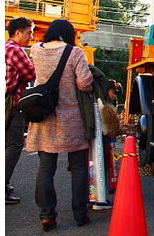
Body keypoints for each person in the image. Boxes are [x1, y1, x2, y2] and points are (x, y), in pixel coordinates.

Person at [25, 19, 93, 231]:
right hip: (70, 118)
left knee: (46, 168)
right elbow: (84, 83)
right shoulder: (75, 52)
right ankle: (80, 214)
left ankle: (47, 215)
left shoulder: (36, 50)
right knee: (79, 167)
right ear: (69, 33)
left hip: (43, 115)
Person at [5, 16, 36, 205]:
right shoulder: (16, 51)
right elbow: (31, 74)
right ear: (18, 32)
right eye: (29, 32)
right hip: (12, 104)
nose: (31, 36)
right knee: (15, 145)